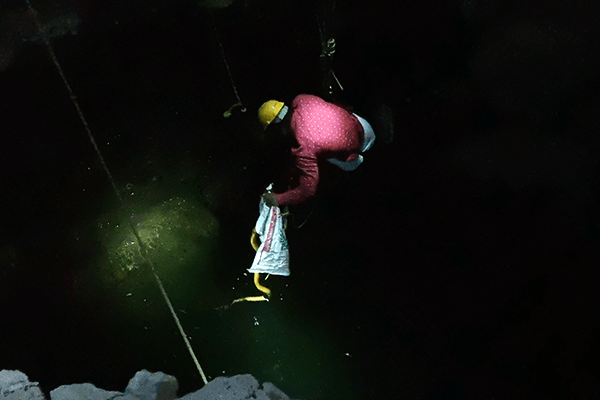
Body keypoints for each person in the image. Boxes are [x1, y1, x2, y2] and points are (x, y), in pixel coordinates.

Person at [258, 94, 376, 207]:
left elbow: (308, 190)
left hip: (359, 149)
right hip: (364, 126)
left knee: (323, 154)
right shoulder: (302, 99)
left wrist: (277, 199)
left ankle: (358, 164)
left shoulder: (303, 148)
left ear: (278, 126)